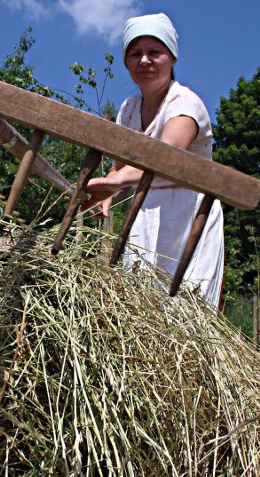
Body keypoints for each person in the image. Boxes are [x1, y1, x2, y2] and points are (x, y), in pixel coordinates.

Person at [84, 13, 225, 310]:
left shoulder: (185, 104)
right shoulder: (129, 109)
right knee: (143, 307)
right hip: (145, 210)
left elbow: (166, 155)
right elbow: (120, 164)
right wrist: (109, 192)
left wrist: (117, 182)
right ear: (126, 62)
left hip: (190, 213)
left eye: (155, 52)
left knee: (187, 306)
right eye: (135, 53)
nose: (145, 60)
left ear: (172, 58)